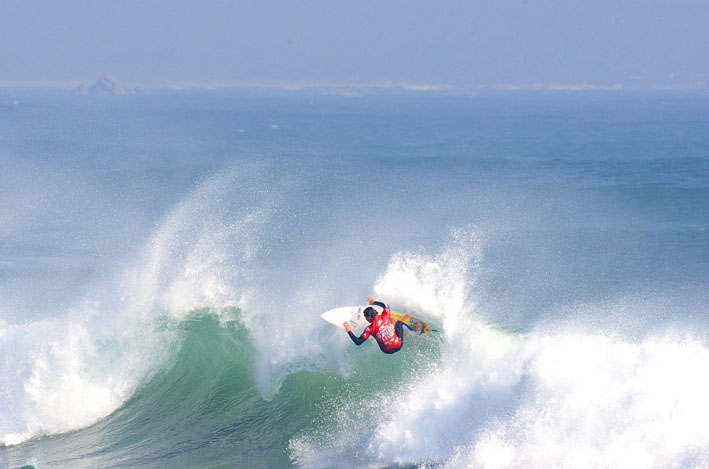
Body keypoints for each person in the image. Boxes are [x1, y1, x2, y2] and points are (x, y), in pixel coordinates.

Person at [343, 296, 413, 354]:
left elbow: (358, 342)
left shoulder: (369, 329)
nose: (366, 319)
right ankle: (412, 330)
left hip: (386, 351)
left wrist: (349, 331)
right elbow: (385, 305)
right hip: (399, 345)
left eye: (366, 317)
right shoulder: (386, 315)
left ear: (369, 316)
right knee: (398, 323)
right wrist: (374, 302)